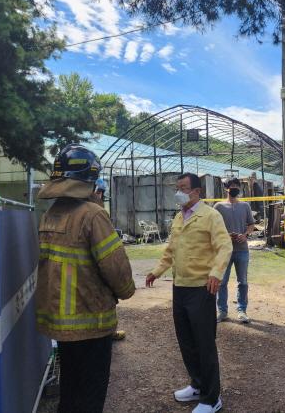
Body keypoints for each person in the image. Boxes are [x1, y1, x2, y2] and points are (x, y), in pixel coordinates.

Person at [36, 144, 135, 413]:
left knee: (70, 392)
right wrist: (127, 290)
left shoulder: (50, 214)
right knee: (90, 396)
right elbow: (116, 268)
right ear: (90, 179)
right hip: (92, 321)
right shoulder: (92, 215)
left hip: (61, 323)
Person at [145, 173, 232, 413]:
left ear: (197, 192)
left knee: (204, 343)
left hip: (201, 288)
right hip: (180, 286)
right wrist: (157, 271)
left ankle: (212, 397)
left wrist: (216, 273)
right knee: (186, 340)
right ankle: (197, 384)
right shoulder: (179, 217)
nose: (179, 192)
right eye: (177, 187)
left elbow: (224, 246)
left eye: (183, 188)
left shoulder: (211, 216)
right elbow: (171, 249)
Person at [90, 177, 127, 341]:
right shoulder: (93, 213)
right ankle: (103, 333)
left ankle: (109, 331)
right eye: (100, 192)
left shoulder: (97, 209)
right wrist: (125, 288)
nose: (101, 196)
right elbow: (110, 260)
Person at [214, 178, 255, 323]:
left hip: (242, 250)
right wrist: (225, 236)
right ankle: (222, 311)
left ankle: (242, 311)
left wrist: (245, 235)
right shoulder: (218, 207)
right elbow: (213, 227)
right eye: (232, 186)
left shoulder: (245, 206)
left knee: (242, 281)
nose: (234, 188)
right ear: (226, 188)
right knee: (221, 282)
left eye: (237, 186)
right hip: (224, 251)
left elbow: (251, 224)